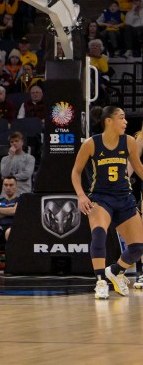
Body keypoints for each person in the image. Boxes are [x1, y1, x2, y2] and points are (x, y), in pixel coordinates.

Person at [70, 106, 143, 299]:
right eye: (121, 118)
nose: (126, 122)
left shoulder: (129, 142)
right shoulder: (91, 144)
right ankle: (101, 281)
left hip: (124, 197)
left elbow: (139, 168)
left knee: (138, 247)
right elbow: (76, 172)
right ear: (108, 121)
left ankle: (116, 271)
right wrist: (81, 196)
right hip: (101, 198)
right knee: (99, 234)